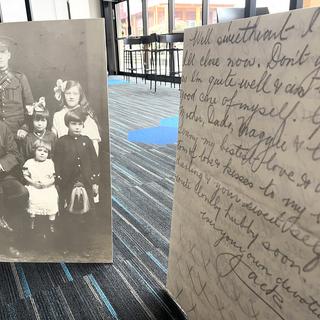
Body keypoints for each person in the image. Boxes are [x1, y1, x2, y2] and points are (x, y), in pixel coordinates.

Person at [54, 108, 99, 256]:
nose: (77, 127)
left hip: (86, 183)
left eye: (80, 124)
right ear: (67, 124)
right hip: (67, 184)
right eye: (74, 123)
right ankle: (66, 245)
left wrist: (95, 182)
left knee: (86, 216)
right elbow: (57, 164)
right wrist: (59, 183)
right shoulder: (61, 142)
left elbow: (95, 162)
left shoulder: (86, 141)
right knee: (68, 215)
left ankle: (84, 246)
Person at [0, 119, 29, 257]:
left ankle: (12, 240)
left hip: (3, 174)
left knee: (21, 192)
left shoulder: (2, 127)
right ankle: (5, 244)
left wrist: (2, 164)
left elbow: (14, 153)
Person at [52, 79, 100, 155]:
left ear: (80, 96)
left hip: (83, 159)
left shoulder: (86, 115)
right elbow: (53, 141)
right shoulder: (57, 115)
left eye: (75, 94)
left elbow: (94, 144)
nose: (71, 97)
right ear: (63, 95)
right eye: (68, 93)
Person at [22, 140, 59, 238]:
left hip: (47, 186)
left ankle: (51, 222)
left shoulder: (50, 163)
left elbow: (53, 177)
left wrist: (47, 183)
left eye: (45, 151)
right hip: (34, 186)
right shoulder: (29, 162)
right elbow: (25, 175)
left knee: (52, 198)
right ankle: (32, 220)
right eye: (40, 150)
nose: (42, 153)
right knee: (32, 198)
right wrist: (33, 182)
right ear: (34, 151)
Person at [0, 36, 34, 139]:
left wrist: (25, 127)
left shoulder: (20, 78)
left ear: (8, 55)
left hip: (17, 131)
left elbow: (30, 107)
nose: (0, 56)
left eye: (3, 52)